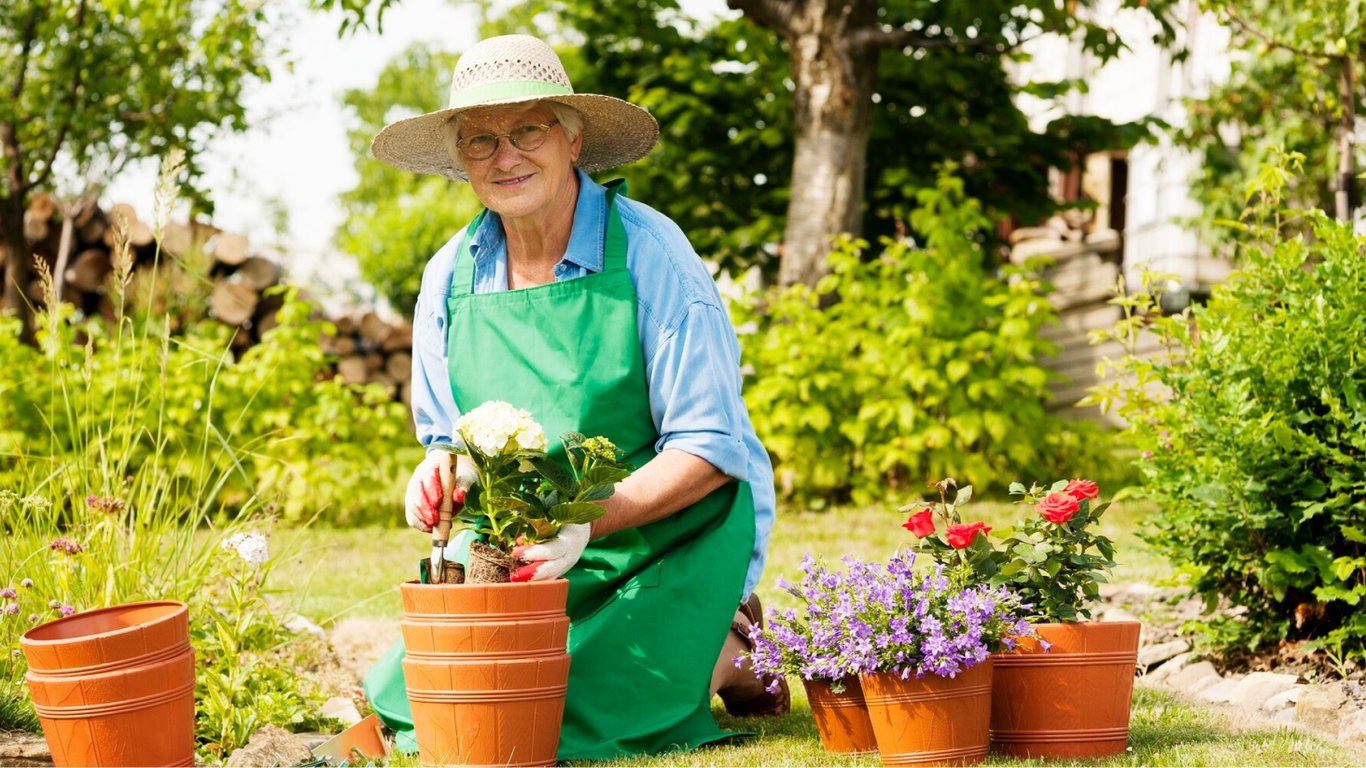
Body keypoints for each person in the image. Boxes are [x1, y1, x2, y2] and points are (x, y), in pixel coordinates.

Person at [361, 34, 788, 760]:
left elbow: (711, 448)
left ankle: (740, 647)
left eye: (527, 129)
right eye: (481, 140)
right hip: (522, 546)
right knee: (425, 707)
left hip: (663, 530)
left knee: (579, 713)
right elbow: (448, 437)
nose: (505, 156)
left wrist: (591, 520)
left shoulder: (652, 255)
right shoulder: (449, 276)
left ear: (572, 137)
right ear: (462, 158)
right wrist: (439, 471)